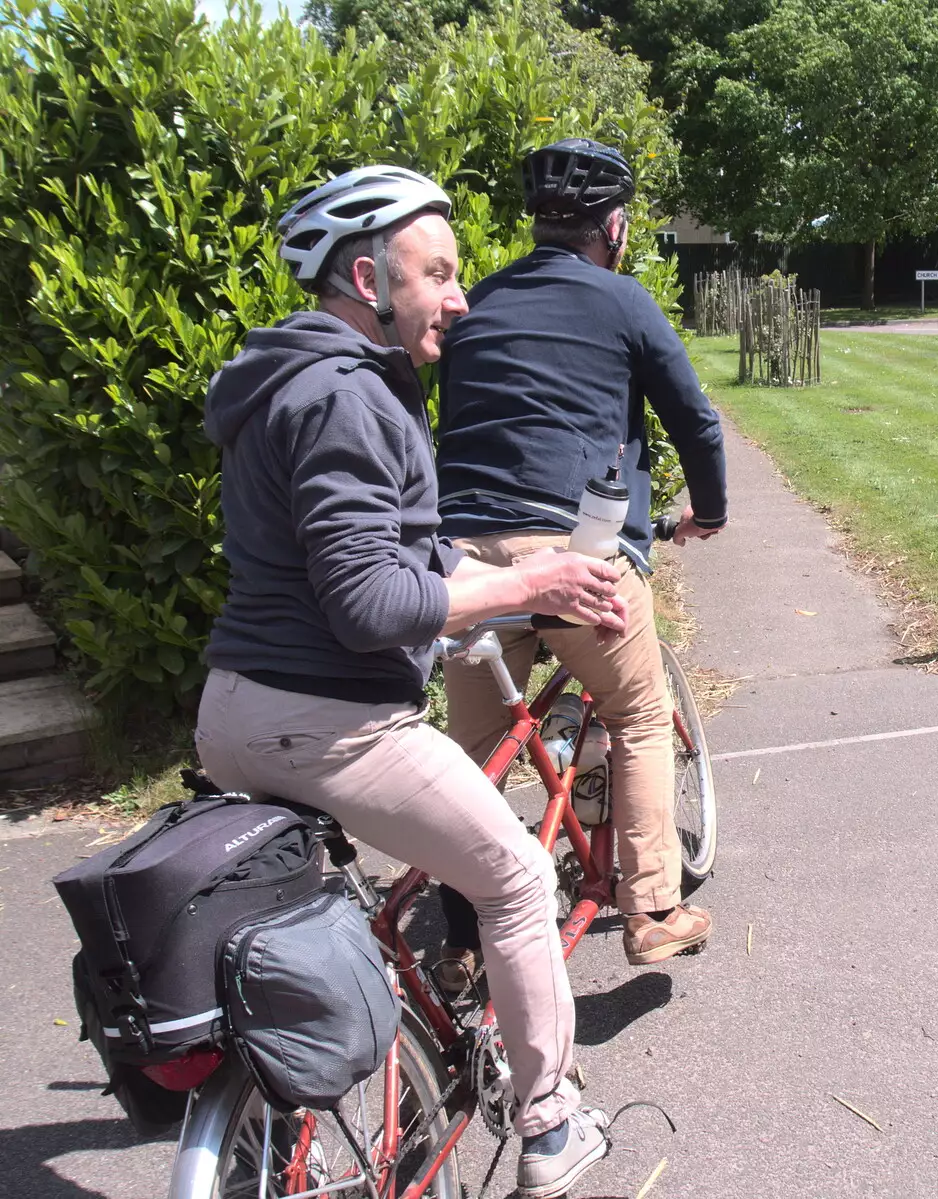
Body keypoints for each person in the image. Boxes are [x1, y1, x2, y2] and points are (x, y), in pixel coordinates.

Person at [194, 165, 619, 1199]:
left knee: (345, 915)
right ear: (365, 274)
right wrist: (529, 576)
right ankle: (552, 1124)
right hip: (331, 719)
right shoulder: (348, 395)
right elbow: (370, 602)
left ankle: (322, 1080)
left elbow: (405, 561)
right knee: (517, 875)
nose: (459, 297)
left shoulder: (286, 377)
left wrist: (518, 588)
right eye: (439, 273)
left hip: (234, 707)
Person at [433, 138, 728, 973]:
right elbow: (695, 422)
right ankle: (654, 908)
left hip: (471, 564)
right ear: (616, 225)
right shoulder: (622, 300)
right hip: (576, 552)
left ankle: (459, 945)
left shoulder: (476, 305)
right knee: (637, 713)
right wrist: (708, 510)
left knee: (471, 759)